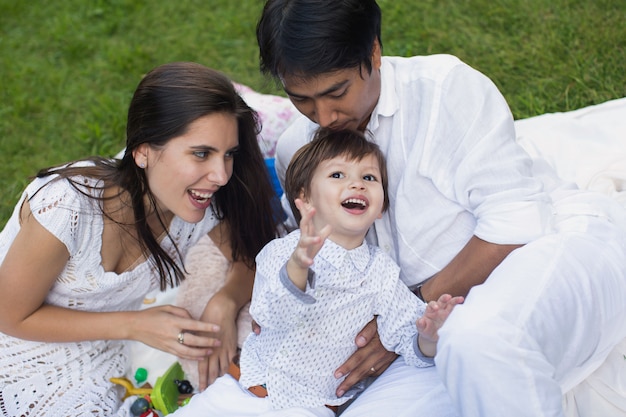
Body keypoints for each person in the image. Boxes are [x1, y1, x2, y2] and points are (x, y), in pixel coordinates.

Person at [256, 1, 626, 416]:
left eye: (337, 91)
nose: (324, 116)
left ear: (373, 53)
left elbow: (517, 221)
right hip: (424, 333)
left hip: (542, 249)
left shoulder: (444, 90)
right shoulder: (297, 150)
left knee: (478, 340)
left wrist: (408, 310)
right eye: (301, 98)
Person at [0, 61, 280, 416]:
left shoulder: (195, 210)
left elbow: (249, 257)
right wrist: (136, 325)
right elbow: (9, 316)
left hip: (101, 361)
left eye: (228, 155)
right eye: (201, 153)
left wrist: (225, 302)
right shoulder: (67, 208)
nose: (222, 175)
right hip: (13, 351)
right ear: (143, 150)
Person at [170, 128, 463, 417]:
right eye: (338, 175)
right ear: (306, 198)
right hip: (240, 390)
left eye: (369, 177)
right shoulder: (281, 251)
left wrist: (430, 335)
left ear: (381, 207)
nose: (357, 184)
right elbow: (271, 315)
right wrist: (298, 266)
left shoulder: (381, 273)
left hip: (307, 407)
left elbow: (405, 339)